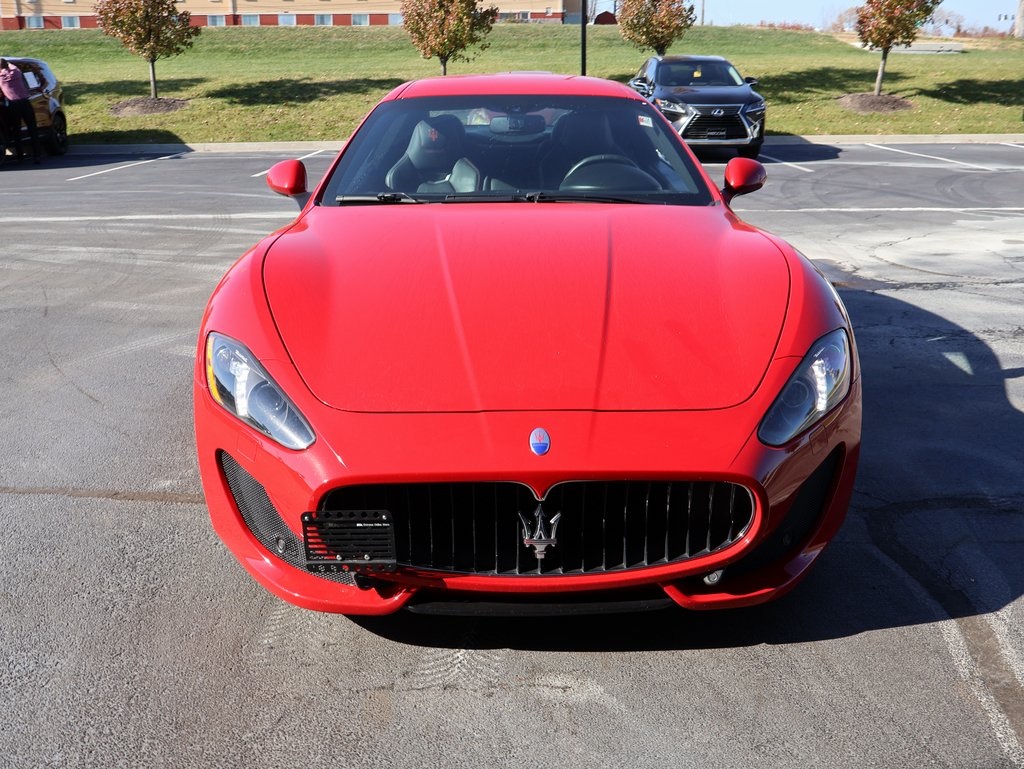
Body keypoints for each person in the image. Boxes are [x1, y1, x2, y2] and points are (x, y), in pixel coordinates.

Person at [0, 58, 41, 164]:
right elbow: (13, 66)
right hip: (25, 103)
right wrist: (7, 63)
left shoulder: (1, 78)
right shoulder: (16, 72)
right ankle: (37, 156)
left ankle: (20, 157)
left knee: (17, 132)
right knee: (32, 129)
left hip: (13, 105)